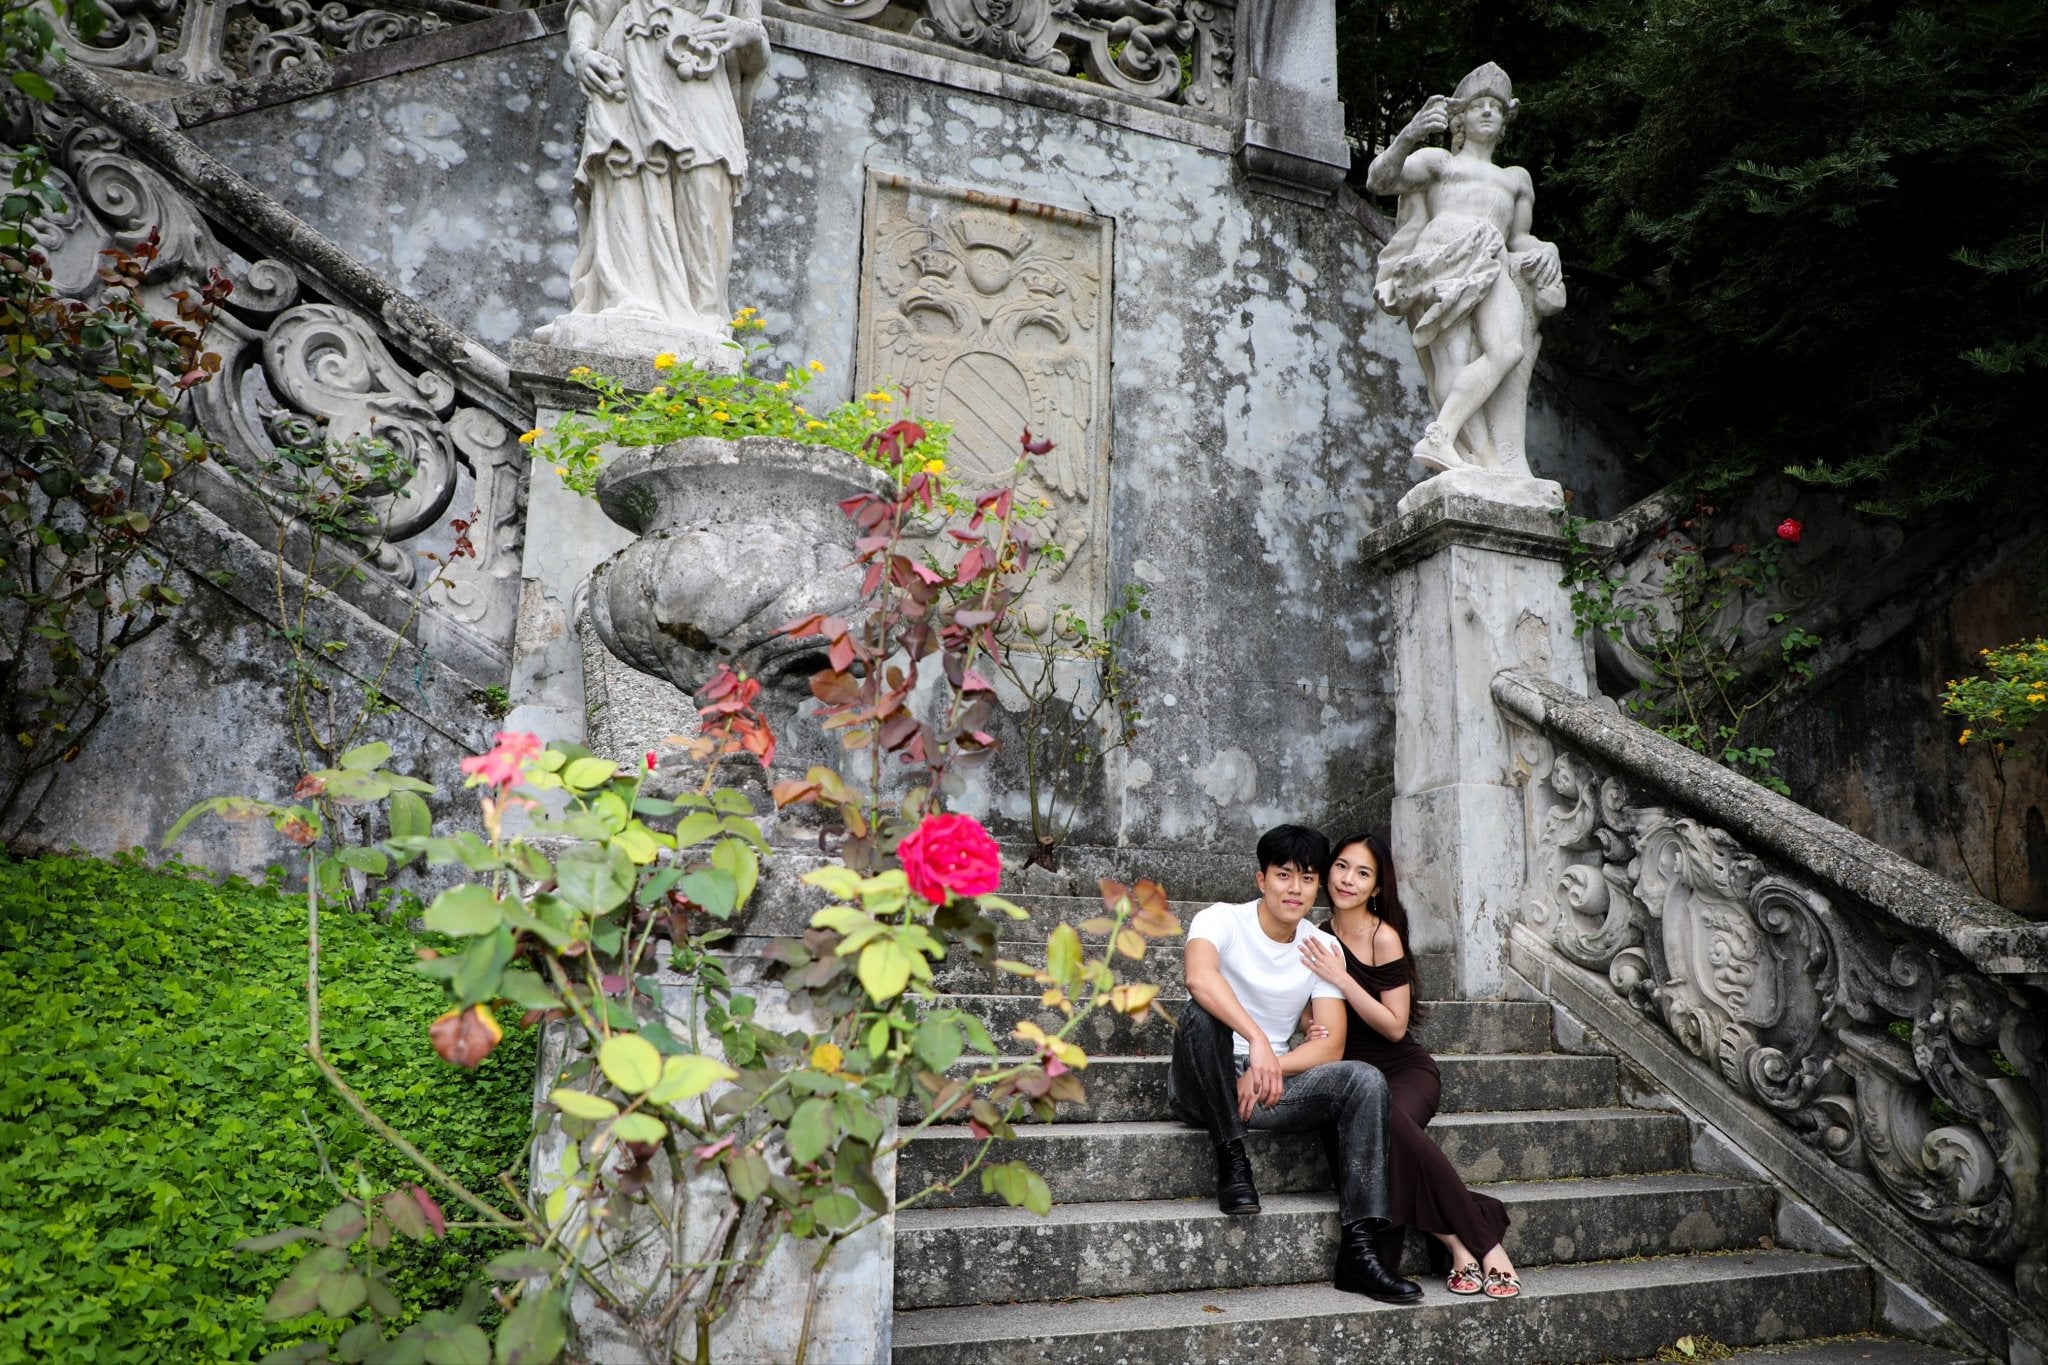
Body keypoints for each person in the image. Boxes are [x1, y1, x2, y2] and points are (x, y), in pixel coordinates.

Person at [1169, 824, 1422, 1304]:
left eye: (1308, 878)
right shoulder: (1219, 919)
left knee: (1364, 1080)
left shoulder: (1320, 947)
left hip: (1266, 1088)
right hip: (1202, 1084)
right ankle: (1232, 1157)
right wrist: (1259, 1041)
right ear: (1261, 879)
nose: (1296, 889)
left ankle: (1361, 1250)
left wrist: (1270, 1067)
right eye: (1284, 875)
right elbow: (1199, 978)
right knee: (1199, 1013)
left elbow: (1330, 1046)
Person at [1299, 832, 1521, 1299]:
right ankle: (1462, 1239)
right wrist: (1307, 1026)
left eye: (1363, 873)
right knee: (1375, 1136)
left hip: (1403, 1071)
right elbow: (1304, 1003)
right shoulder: (1314, 936)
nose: (1347, 880)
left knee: (1387, 1126)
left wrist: (1341, 976)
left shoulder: (1384, 936)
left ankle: (1485, 1246)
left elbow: (1395, 1026)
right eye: (1341, 867)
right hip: (1351, 1080)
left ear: (1377, 887)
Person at [1366, 61, 1566, 477]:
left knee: (1509, 348)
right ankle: (1467, 453)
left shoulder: (1517, 179)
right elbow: (1379, 182)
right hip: (1444, 255)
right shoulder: (1439, 162)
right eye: (1479, 105)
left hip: (1492, 258)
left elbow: (1519, 240)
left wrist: (1546, 248)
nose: (1489, 111)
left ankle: (1440, 433)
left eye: (1496, 105)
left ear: (1506, 117)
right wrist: (1408, 135)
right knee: (1452, 359)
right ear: (1460, 116)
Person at [547, 0, 769, 352]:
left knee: (708, 184)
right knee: (627, 170)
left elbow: (754, 46)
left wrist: (748, 35)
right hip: (628, 61)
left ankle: (704, 317)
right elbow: (590, 9)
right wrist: (581, 53)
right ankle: (627, 299)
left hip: (701, 65)